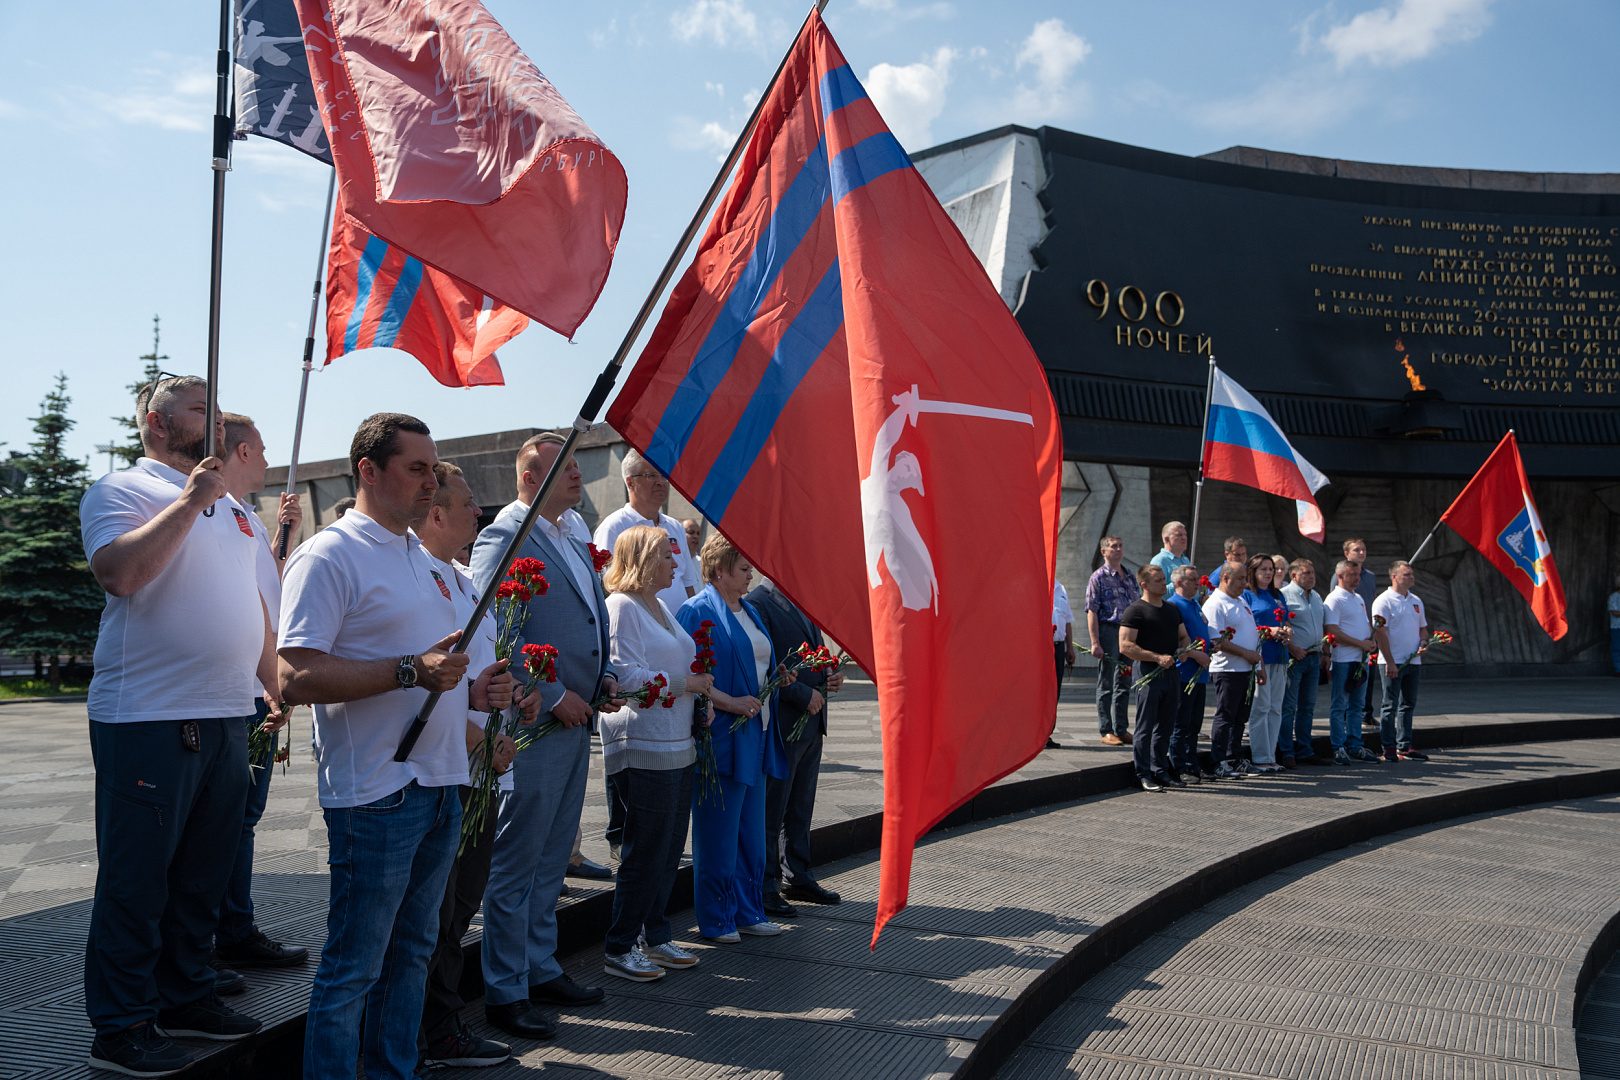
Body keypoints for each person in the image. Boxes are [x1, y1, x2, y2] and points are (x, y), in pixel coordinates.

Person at [278, 413, 513, 1080]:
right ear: (368, 471)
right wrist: (409, 669)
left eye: (435, 470)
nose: (430, 482)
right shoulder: (330, 554)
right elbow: (293, 677)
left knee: (413, 954)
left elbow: (442, 672)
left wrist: (481, 693)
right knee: (355, 966)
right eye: (417, 468)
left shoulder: (424, 561)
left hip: (441, 783)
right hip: (376, 794)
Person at [79, 376, 268, 1076]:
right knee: (138, 879)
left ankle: (187, 993)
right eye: (199, 411)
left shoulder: (236, 509)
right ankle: (121, 1025)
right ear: (158, 424)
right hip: (150, 715)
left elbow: (250, 609)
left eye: (220, 413)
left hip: (225, 709)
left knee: (203, 876)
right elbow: (120, 574)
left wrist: (268, 688)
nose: (214, 423)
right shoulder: (123, 490)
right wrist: (192, 501)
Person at [474, 432, 621, 1040]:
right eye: (564, 469)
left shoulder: (571, 535)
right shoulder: (504, 536)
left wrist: (605, 672)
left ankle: (538, 966)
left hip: (575, 718)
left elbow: (593, 616)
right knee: (517, 860)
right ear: (529, 477)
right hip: (532, 721)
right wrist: (557, 694)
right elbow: (490, 626)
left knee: (550, 856)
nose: (578, 477)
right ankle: (505, 989)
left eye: (580, 467)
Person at [417, 462, 525, 1069]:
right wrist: (477, 738)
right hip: (446, 769)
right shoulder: (419, 579)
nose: (478, 515)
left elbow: (473, 680)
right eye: (467, 504)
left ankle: (440, 1027)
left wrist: (509, 695)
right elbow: (419, 687)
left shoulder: (462, 581)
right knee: (433, 914)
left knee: (460, 906)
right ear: (436, 512)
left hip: (481, 767)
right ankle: (430, 1032)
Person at [214, 412, 309, 974]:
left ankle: (233, 926)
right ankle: (220, 932)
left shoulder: (243, 516)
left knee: (242, 816)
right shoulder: (216, 512)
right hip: (241, 691)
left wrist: (282, 536)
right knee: (228, 819)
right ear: (242, 452)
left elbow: (265, 585)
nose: (271, 458)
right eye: (263, 448)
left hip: (259, 688)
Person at [599, 525, 714, 981]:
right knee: (645, 848)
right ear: (644, 560)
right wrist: (686, 686)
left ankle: (656, 931)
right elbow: (624, 676)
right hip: (643, 743)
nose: (675, 564)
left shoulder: (661, 606)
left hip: (676, 740)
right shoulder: (621, 606)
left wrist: (697, 701)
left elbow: (673, 665)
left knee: (668, 848)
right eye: (668, 556)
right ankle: (620, 945)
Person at [678, 534, 790, 943]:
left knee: (751, 832)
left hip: (755, 734)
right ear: (720, 569)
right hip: (723, 735)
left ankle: (748, 909)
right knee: (718, 833)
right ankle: (716, 917)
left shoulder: (749, 611)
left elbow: (759, 664)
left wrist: (778, 678)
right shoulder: (696, 611)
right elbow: (693, 677)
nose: (750, 576)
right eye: (743, 569)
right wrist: (731, 703)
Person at [593, 449, 700, 866]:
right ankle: (622, 838)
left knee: (668, 827)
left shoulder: (673, 525)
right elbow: (606, 585)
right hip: (639, 644)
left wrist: (689, 644)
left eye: (663, 475)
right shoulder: (615, 526)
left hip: (667, 631)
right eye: (650, 475)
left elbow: (690, 589)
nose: (660, 483)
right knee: (639, 812)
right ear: (630, 481)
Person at [746, 577, 845, 915]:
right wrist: (803, 695)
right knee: (773, 808)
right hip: (785, 722)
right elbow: (767, 668)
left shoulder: (803, 596)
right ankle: (766, 884)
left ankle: (797, 874)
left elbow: (813, 651)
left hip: (812, 722)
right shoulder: (759, 602)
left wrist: (831, 671)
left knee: (800, 806)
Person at [1119, 564, 1195, 791]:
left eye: (1164, 579)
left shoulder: (1171, 609)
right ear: (1144, 584)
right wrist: (1156, 657)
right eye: (1159, 580)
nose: (1164, 583)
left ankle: (1160, 769)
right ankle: (1143, 772)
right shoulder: (1136, 610)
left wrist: (1184, 649)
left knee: (1166, 725)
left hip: (1172, 673)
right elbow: (1125, 646)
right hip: (1148, 674)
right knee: (1145, 725)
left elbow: (1183, 636)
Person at [1201, 560, 1262, 780]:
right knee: (1226, 715)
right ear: (1225, 578)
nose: (1245, 583)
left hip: (1247, 669)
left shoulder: (1241, 601)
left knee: (1240, 717)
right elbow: (1216, 639)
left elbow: (1251, 635)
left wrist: (1258, 665)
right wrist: (1246, 655)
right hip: (1228, 669)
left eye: (1245, 578)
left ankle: (1235, 756)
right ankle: (1219, 760)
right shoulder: (1216, 603)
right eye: (1240, 579)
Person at [1323, 559, 1382, 766]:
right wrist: (1359, 643)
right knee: (1340, 704)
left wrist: (1371, 641)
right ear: (1340, 576)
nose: (1357, 579)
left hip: (1360, 659)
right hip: (1343, 659)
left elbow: (1364, 624)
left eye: (1358, 575)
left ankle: (1355, 745)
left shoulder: (1357, 598)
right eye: (1352, 575)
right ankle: (1338, 746)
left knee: (1357, 704)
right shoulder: (1334, 599)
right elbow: (1332, 630)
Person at [1372, 560, 1430, 763]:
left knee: (1408, 704)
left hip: (1413, 661)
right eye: (1406, 574)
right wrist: (1389, 661)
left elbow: (1423, 628)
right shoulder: (1383, 601)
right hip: (1392, 660)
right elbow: (1379, 632)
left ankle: (1404, 745)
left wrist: (1424, 641)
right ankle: (1388, 746)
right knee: (1390, 705)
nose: (1411, 577)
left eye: (1411, 574)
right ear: (1394, 576)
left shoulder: (1416, 601)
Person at [1086, 536, 1138, 746]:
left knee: (1124, 681)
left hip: (1129, 633)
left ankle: (1121, 727)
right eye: (1113, 547)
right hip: (1109, 631)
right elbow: (1092, 611)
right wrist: (1095, 641)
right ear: (1103, 552)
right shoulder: (1098, 577)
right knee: (1106, 681)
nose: (1117, 550)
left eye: (1120, 546)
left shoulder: (1129, 576)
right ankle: (1106, 729)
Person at [1242, 554, 1290, 775]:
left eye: (1271, 569)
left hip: (1280, 654)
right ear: (1253, 571)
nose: (1269, 572)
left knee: (1275, 708)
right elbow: (1247, 626)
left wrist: (1287, 630)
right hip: (1261, 656)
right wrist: (1268, 631)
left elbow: (1285, 620)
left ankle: (1271, 756)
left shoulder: (1277, 594)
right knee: (1260, 707)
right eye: (1263, 569)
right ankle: (1260, 756)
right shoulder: (1247, 595)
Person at [1167, 565, 1214, 781]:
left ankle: (1191, 763)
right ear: (1178, 583)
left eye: (1197, 579)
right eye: (1192, 579)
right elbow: (1177, 642)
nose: (1197, 583)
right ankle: (1178, 766)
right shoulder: (1174, 606)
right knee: (1181, 723)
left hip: (1200, 673)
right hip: (1185, 672)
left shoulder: (1194, 603)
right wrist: (1197, 655)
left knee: (1194, 723)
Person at [1278, 558, 1326, 766]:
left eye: (1313, 573)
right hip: (1295, 657)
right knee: (1289, 706)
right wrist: (1292, 648)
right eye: (1306, 573)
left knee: (1308, 706)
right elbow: (1281, 625)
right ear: (1294, 575)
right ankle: (1286, 751)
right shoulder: (1285, 596)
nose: (1311, 577)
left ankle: (1305, 749)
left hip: (1314, 656)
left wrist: (1326, 652)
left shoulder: (1316, 596)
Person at [1344, 538, 1380, 730]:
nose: (1361, 553)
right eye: (1356, 550)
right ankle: (1346, 715)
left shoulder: (1370, 576)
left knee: (1368, 674)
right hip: (1350, 634)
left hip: (1368, 632)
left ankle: (1367, 713)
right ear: (1347, 554)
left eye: (1363, 549)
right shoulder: (1341, 575)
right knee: (1350, 677)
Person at [1048, 579, 1076, 749]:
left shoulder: (1061, 588)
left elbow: (1067, 620)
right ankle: (1036, 734)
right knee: (1041, 692)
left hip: (1058, 646)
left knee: (1054, 691)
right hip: (1041, 646)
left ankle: (1047, 732)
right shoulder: (1033, 583)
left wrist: (1070, 647)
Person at [1609, 576, 1620, 675]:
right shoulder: (1614, 597)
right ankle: (1618, 669)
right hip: (1617, 626)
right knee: (1617, 648)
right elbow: (1614, 612)